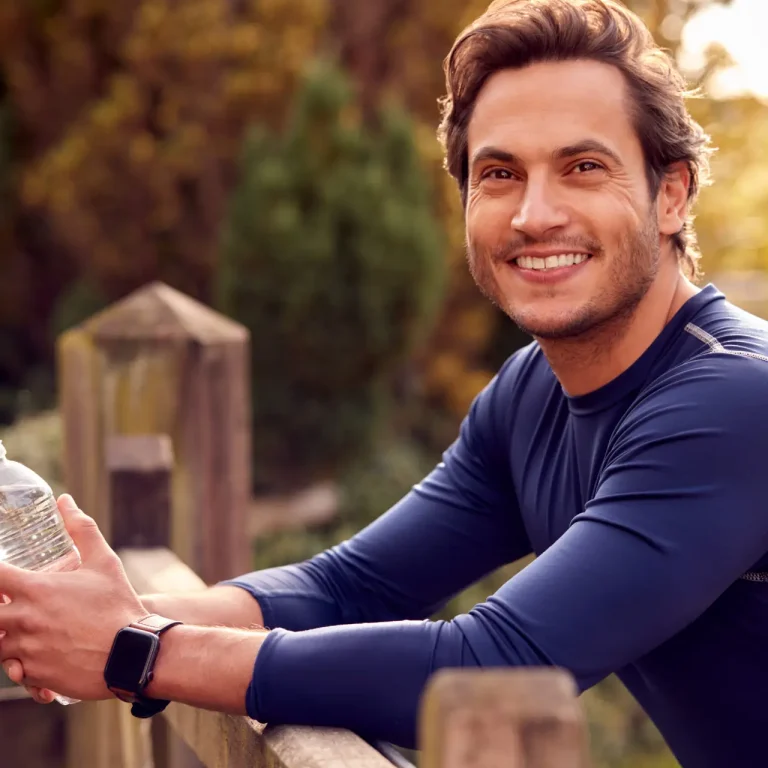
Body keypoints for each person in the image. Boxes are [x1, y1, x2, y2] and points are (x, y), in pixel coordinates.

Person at [2, 1, 768, 765]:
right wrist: (74, 619)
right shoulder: (533, 393)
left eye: (584, 167)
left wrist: (138, 651)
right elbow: (349, 587)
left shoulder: (734, 402)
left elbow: (495, 664)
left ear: (672, 194)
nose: (535, 214)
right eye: (500, 173)